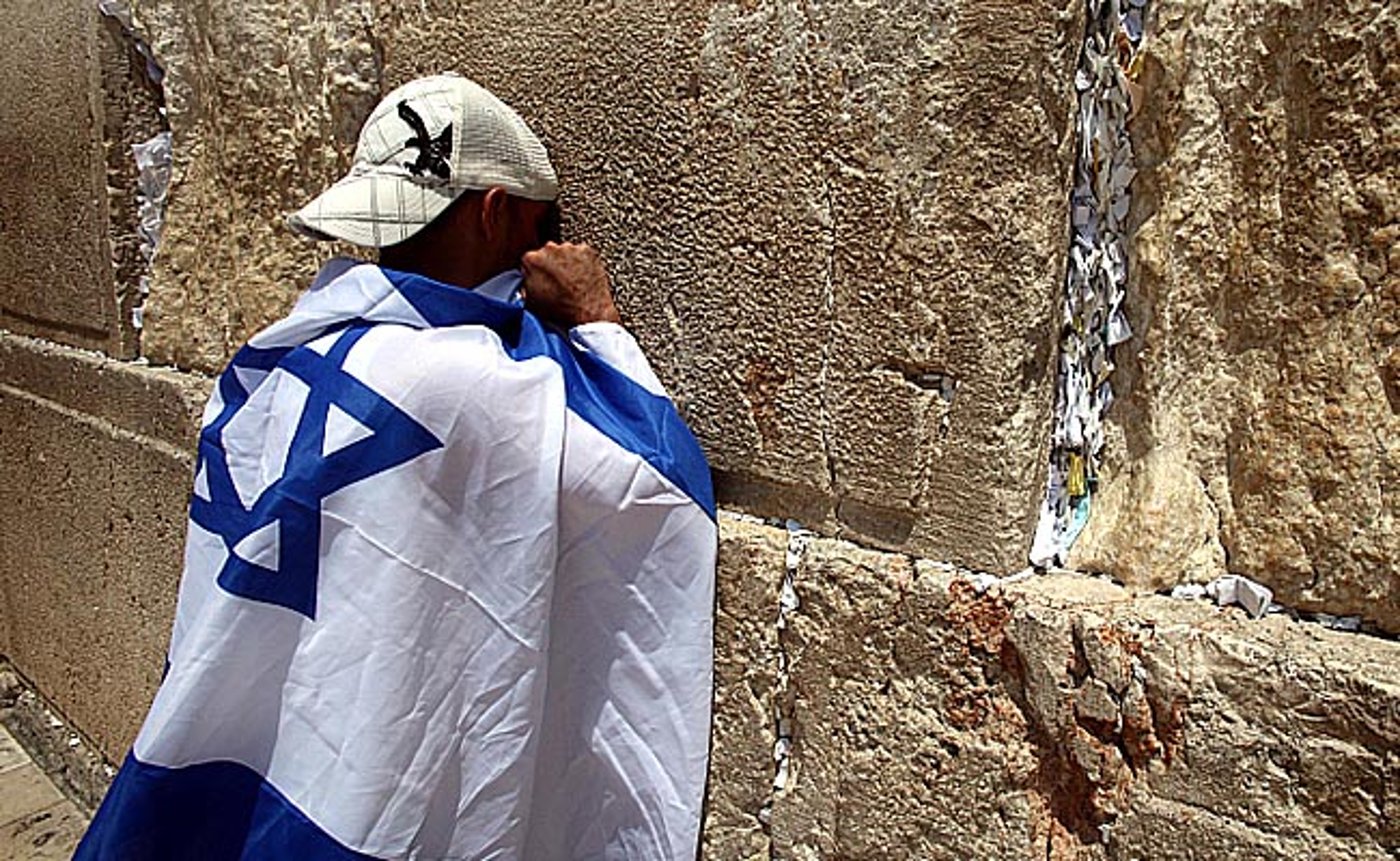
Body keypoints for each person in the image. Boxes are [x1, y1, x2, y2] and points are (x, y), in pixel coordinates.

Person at [76, 73, 717, 860]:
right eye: (538, 222)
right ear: (496, 212)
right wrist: (596, 319)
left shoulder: (280, 357)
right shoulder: (465, 385)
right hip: (351, 796)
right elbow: (655, 482)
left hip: (228, 748)